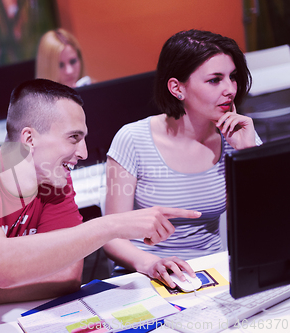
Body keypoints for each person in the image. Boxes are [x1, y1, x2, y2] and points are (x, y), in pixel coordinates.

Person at [0, 79, 201, 309]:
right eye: (74, 137)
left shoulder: (55, 180)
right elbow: (2, 266)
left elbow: (65, 276)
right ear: (29, 139)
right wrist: (110, 225)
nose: (84, 152)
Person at [104, 30, 262, 282]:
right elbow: (111, 234)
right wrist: (152, 264)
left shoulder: (240, 137)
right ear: (177, 88)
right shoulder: (133, 139)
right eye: (214, 80)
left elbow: (261, 226)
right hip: (143, 275)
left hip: (210, 274)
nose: (230, 89)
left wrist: (247, 156)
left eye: (232, 77)